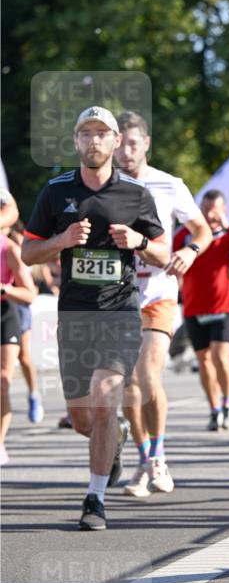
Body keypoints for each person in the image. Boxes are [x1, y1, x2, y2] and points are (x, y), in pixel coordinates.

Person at [22, 106, 168, 530]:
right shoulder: (55, 192)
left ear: (116, 141)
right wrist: (62, 241)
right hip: (74, 316)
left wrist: (139, 240)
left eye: (102, 134)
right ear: (76, 141)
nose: (94, 141)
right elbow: (29, 252)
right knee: (83, 417)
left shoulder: (136, 195)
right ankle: (115, 435)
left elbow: (163, 254)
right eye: (85, 134)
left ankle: (95, 498)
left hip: (120, 313)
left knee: (104, 397)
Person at [114, 111, 212, 496]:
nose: (125, 152)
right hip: (116, 295)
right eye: (119, 144)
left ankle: (158, 456)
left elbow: (201, 228)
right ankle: (144, 459)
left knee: (146, 376)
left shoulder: (169, 185)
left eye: (132, 144)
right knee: (126, 387)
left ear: (146, 144)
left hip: (158, 292)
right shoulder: (103, 186)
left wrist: (190, 251)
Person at [174, 190, 229, 431]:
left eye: (215, 210)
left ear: (223, 210)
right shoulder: (184, 236)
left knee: (220, 355)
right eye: (206, 210)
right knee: (204, 361)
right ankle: (214, 409)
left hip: (224, 305)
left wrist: (228, 228)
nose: (210, 215)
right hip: (194, 307)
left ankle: (228, 403)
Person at [1, 230, 37, 463]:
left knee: (3, 377)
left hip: (4, 314)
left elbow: (30, 293)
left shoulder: (8, 249)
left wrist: (5, 289)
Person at [7, 222, 44, 423]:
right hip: (5, 306)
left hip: (19, 306)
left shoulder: (16, 243)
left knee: (24, 357)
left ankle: (33, 395)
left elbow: (31, 288)